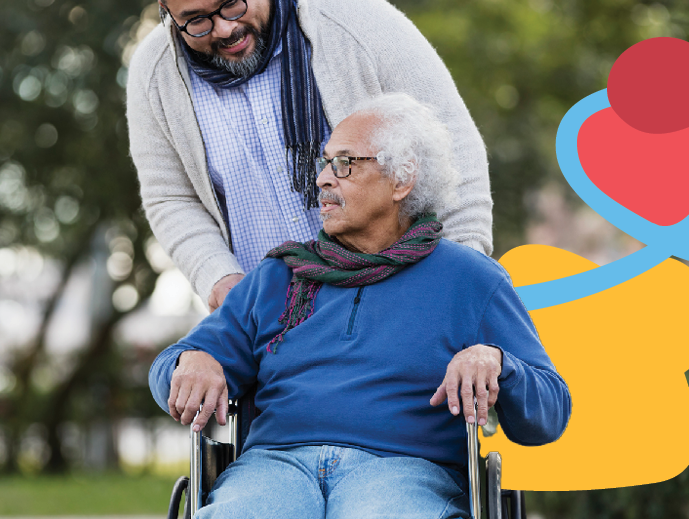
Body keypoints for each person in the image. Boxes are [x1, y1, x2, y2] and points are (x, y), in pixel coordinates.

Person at [148, 95, 570, 518]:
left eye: (345, 163)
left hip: (404, 471)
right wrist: (191, 360)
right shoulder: (281, 275)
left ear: (401, 179)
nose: (323, 180)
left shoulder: (471, 279)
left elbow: (550, 414)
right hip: (274, 466)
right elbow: (168, 368)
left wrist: (497, 362)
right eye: (325, 162)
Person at [127, 0, 494, 310]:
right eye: (195, 21)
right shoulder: (154, 74)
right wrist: (219, 279)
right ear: (166, 9)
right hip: (274, 328)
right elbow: (170, 197)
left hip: (400, 306)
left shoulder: (360, 22)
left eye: (232, 3)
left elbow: (454, 149)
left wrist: (461, 282)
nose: (223, 29)